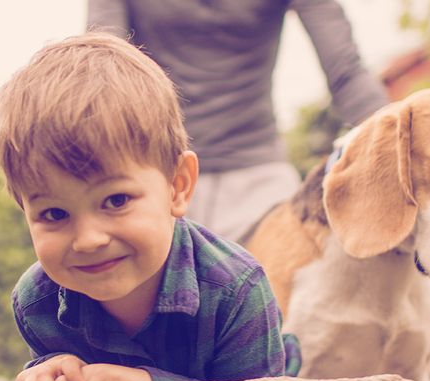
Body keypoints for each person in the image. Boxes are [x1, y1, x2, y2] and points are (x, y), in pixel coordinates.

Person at [0, 33, 297, 381]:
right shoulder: (37, 304)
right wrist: (48, 372)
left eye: (116, 201)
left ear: (178, 185)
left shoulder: (237, 290)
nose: (88, 240)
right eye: (54, 214)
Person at [88, 0, 389, 241]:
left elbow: (346, 72)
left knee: (273, 306)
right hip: (159, 176)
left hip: (260, 184)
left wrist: (393, 146)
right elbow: (103, 66)